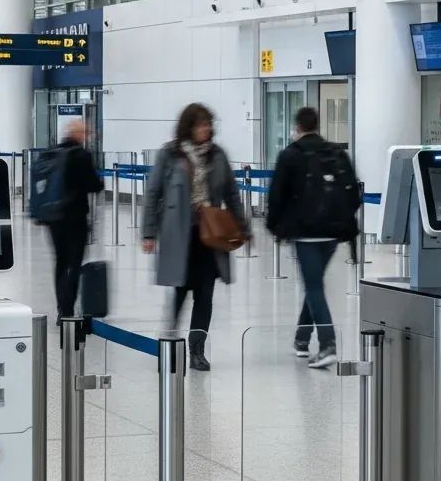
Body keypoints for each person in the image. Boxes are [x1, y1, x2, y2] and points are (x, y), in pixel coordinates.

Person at [142, 103, 247, 372]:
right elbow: (153, 192)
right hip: (180, 234)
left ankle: (197, 350)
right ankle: (168, 343)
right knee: (179, 291)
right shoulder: (170, 154)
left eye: (209, 124)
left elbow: (232, 193)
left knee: (205, 295)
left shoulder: (217, 155)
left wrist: (242, 226)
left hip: (210, 236)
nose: (207, 129)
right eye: (202, 124)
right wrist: (149, 232)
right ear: (189, 127)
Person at [266, 106, 360, 369]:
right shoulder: (336, 153)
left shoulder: (290, 155)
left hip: (305, 233)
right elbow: (353, 193)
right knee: (314, 283)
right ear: (317, 125)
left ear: (297, 128)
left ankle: (328, 343)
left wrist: (275, 227)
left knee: (314, 287)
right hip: (332, 233)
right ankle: (301, 339)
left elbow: (276, 196)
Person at [45, 119, 103, 322]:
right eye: (86, 132)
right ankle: (68, 308)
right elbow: (95, 185)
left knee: (60, 262)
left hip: (54, 218)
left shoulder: (53, 153)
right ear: (79, 134)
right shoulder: (82, 156)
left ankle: (61, 307)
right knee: (75, 264)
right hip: (76, 218)